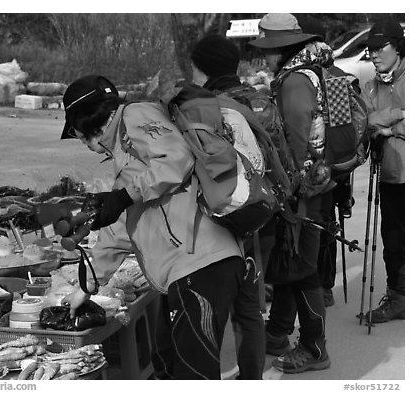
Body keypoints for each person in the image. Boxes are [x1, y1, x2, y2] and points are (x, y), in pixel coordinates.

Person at [59, 75, 264, 379]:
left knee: (194, 375)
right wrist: (87, 285)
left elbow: (176, 157)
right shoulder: (124, 150)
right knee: (167, 366)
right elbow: (121, 226)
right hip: (184, 271)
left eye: (75, 133)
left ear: (83, 122)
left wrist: (122, 196)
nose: (79, 140)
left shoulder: (133, 116)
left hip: (201, 265)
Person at [249, 13, 333, 373]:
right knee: (291, 259)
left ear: (282, 48)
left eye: (268, 49)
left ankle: (314, 348)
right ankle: (279, 331)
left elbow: (300, 137)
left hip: (305, 188)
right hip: (317, 182)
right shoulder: (311, 68)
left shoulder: (295, 80)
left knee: (303, 268)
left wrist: (291, 186)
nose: (265, 57)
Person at [297, 14, 359, 308]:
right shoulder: (334, 72)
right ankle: (324, 285)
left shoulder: (303, 76)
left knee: (315, 223)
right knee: (326, 223)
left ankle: (315, 286)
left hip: (315, 166)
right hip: (336, 164)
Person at [361, 19, 405, 323]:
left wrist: (388, 128)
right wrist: (400, 115)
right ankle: (398, 297)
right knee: (392, 239)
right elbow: (365, 123)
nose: (375, 54)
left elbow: (378, 123)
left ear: (398, 46)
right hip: (389, 173)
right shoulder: (370, 85)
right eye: (370, 49)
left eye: (381, 47)